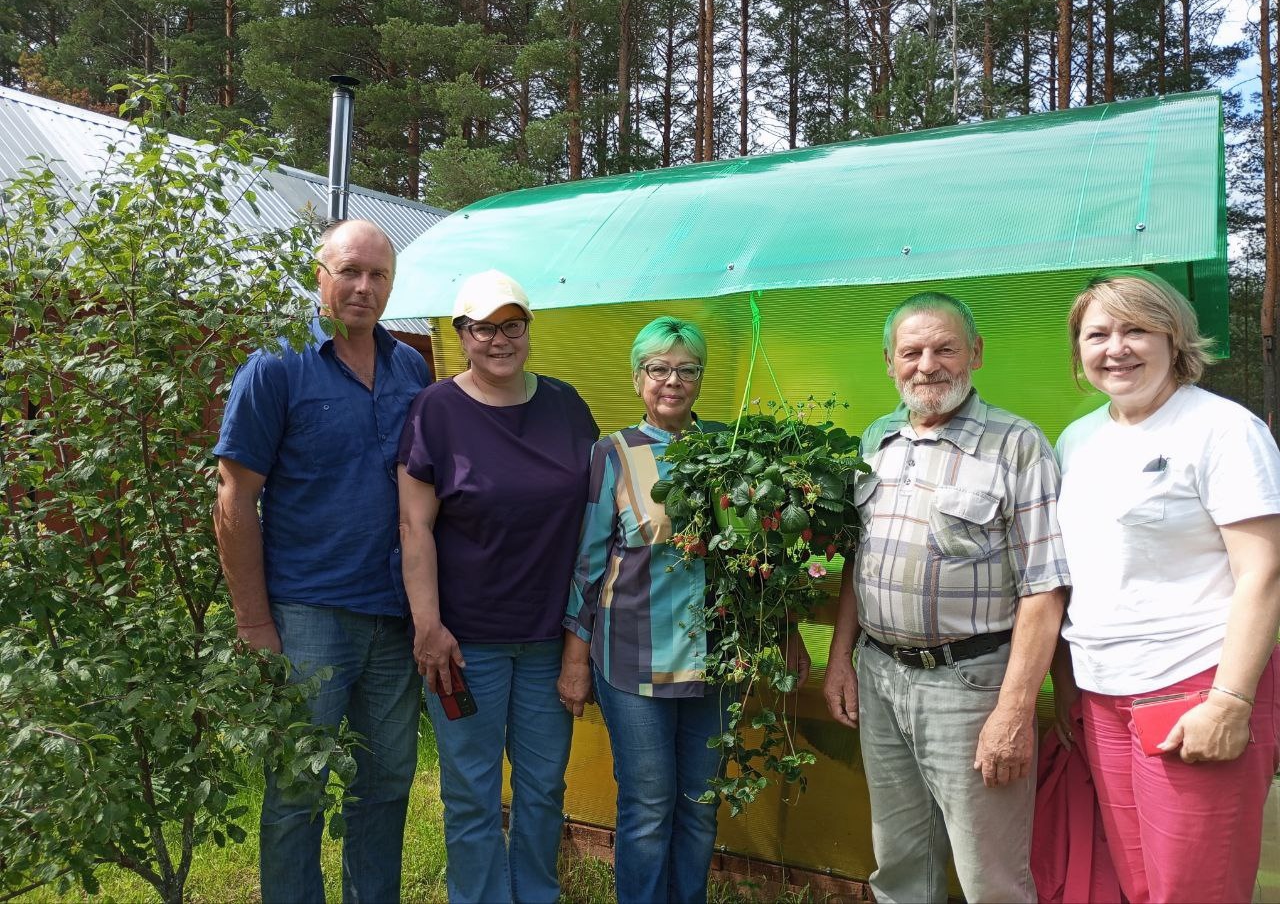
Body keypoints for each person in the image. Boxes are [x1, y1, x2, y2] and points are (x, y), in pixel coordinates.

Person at [822, 291, 1070, 904]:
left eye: (945, 348)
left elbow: (1046, 588)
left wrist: (1013, 713)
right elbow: (861, 560)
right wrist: (839, 659)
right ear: (889, 362)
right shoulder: (877, 438)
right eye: (912, 352)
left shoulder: (1017, 445)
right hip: (880, 677)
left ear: (976, 354)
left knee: (990, 876)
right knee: (901, 863)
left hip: (971, 687)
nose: (927, 365)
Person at [213, 218, 430, 904]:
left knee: (388, 780)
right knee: (296, 789)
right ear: (320, 277)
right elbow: (234, 497)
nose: (363, 288)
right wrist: (253, 623)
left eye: (378, 276)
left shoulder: (411, 368)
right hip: (307, 615)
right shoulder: (276, 366)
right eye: (350, 272)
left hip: (393, 617)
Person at [558, 316, 810, 904]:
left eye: (685, 369)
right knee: (647, 807)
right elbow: (588, 564)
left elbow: (761, 553)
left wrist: (784, 632)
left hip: (716, 660)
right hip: (632, 661)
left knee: (700, 804)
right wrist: (575, 658)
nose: (672, 380)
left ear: (700, 378)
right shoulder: (613, 453)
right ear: (637, 377)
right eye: (658, 368)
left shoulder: (730, 450)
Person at [1052, 270, 1280, 903]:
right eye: (1098, 334)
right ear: (1080, 353)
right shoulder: (1079, 438)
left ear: (1175, 338)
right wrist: (1071, 685)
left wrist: (1230, 701)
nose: (1116, 347)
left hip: (1194, 684)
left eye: (1136, 329)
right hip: (1103, 694)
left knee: (1194, 888)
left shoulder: (1222, 430)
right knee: (1139, 883)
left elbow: (1264, 572)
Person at [397, 269, 598, 904]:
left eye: (512, 326)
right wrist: (428, 626)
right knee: (472, 792)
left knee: (542, 789)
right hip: (465, 644)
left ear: (528, 331)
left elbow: (597, 525)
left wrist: (580, 643)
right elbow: (414, 524)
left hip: (549, 640)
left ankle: (536, 894)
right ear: (461, 334)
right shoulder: (436, 410)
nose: (500, 340)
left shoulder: (565, 405)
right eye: (484, 327)